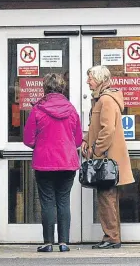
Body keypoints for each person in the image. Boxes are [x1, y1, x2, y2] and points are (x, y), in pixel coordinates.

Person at [23, 73, 82, 253]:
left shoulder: (38, 110)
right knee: (63, 201)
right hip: (67, 162)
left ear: (45, 88)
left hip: (44, 162)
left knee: (47, 202)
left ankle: (48, 243)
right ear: (62, 88)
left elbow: (28, 139)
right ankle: (64, 242)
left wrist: (40, 144)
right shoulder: (71, 110)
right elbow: (78, 140)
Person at [81, 65, 135, 249]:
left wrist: (96, 150)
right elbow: (95, 126)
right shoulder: (101, 99)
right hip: (107, 157)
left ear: (100, 80)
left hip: (107, 159)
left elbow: (107, 130)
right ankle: (111, 235)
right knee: (107, 198)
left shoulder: (106, 100)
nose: (88, 81)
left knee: (107, 198)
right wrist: (85, 140)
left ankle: (112, 237)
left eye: (90, 78)